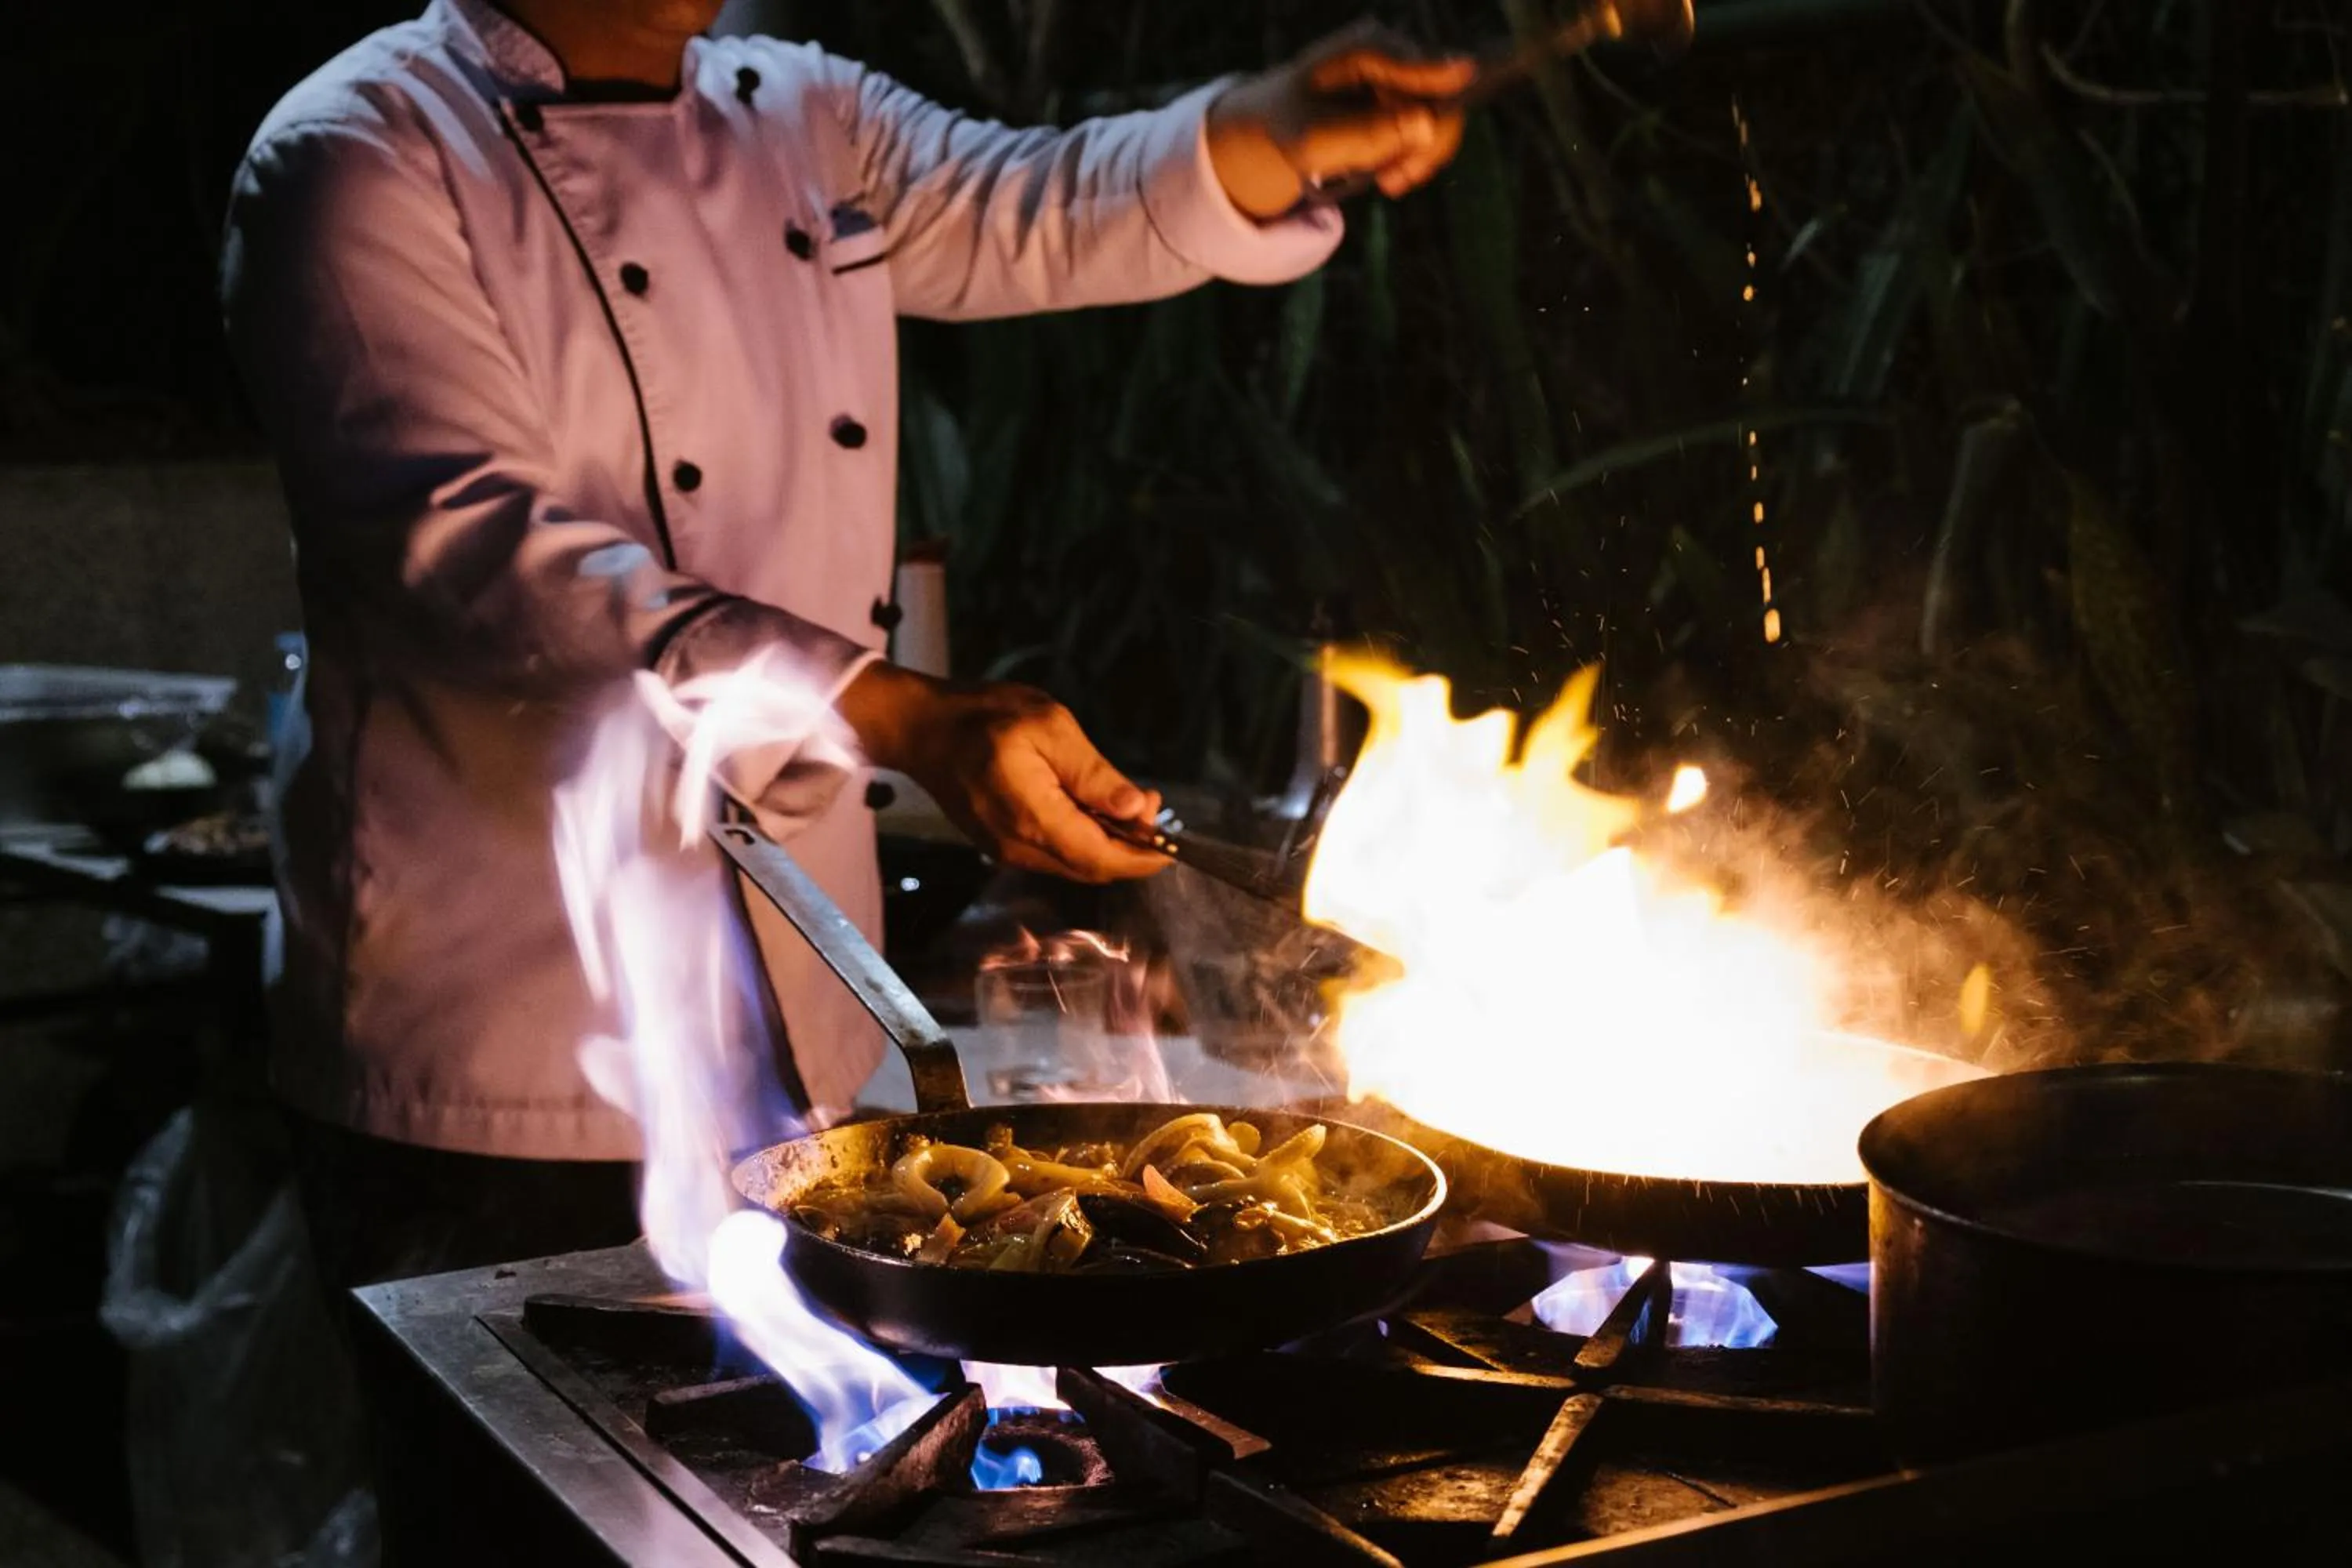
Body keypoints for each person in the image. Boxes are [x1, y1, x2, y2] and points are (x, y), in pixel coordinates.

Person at [223, 0, 1470, 1290]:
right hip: (507, 1050)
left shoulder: (799, 110)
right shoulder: (359, 153)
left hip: (815, 1028)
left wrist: (1275, 127)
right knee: (519, 1483)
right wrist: (901, 716)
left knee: (793, 1482)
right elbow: (478, 561)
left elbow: (1038, 198)